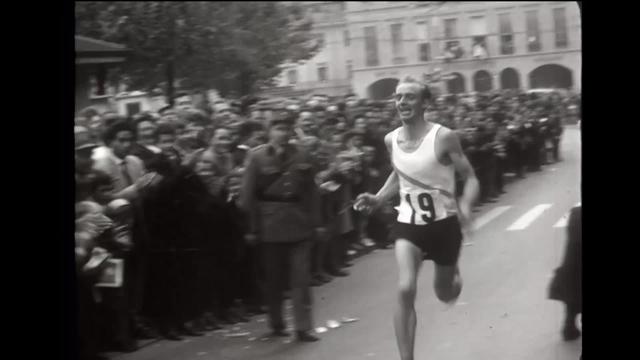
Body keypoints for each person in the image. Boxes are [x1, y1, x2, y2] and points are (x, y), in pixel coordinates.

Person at [354, 76, 479, 360]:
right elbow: (401, 173)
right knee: (405, 287)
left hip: (444, 225)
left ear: (425, 103)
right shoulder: (391, 139)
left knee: (445, 293)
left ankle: (453, 277)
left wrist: (467, 206)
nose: (402, 102)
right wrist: (378, 198)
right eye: (398, 97)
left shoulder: (444, 137)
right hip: (408, 224)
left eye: (409, 97)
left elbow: (470, 177)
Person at [238, 111, 323, 342]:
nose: (282, 133)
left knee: (301, 280)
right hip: (270, 225)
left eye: (286, 128)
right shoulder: (256, 157)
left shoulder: (303, 154)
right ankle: (276, 323)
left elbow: (312, 192)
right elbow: (248, 197)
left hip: (299, 223)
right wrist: (252, 229)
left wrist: (316, 223)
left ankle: (304, 327)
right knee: (274, 280)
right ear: (269, 132)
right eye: (277, 128)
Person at [549, 205, 582, 341]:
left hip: (571, 273)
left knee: (573, 277)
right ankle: (569, 325)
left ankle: (569, 324)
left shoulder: (575, 214)